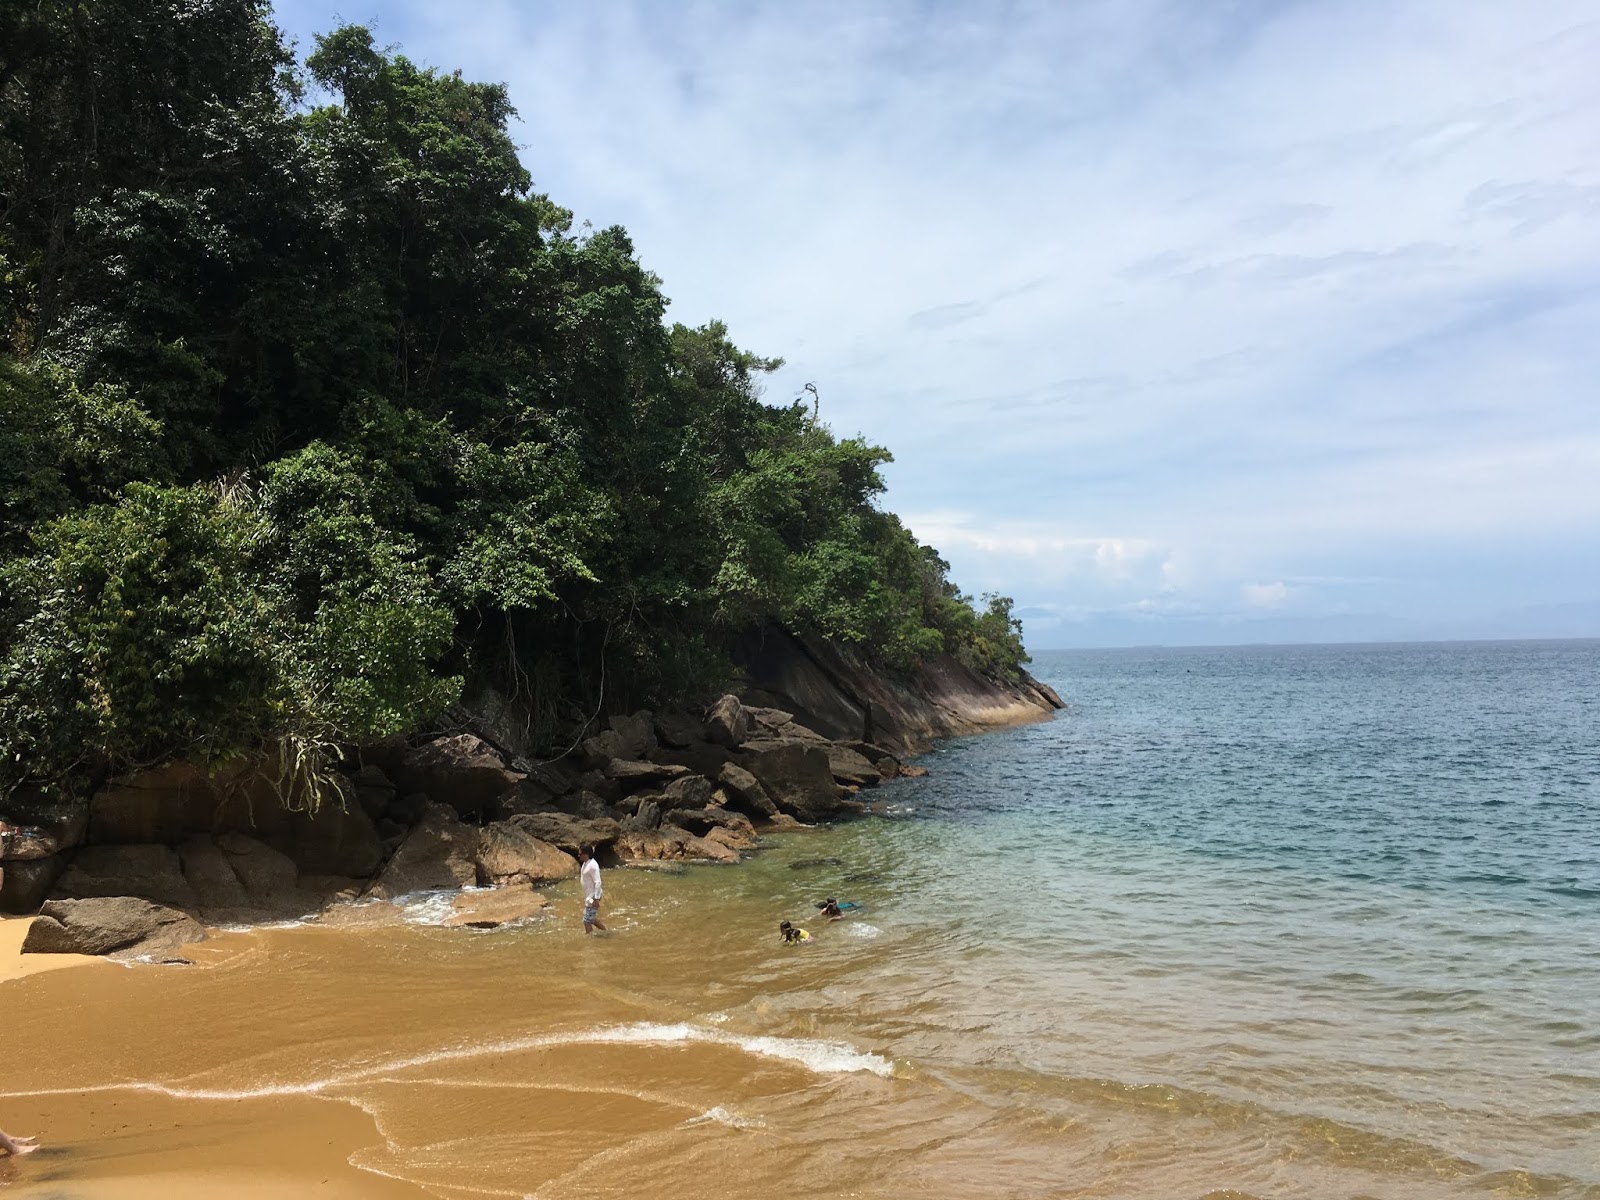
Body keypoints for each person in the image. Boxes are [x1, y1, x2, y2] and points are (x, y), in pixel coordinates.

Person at [577, 846, 607, 934]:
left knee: (587, 920)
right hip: (589, 896)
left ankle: (590, 938)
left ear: (586, 854)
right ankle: (606, 931)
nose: (578, 855)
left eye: (580, 854)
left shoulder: (593, 865)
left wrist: (596, 899)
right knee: (591, 918)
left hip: (593, 896)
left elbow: (598, 882)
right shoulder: (586, 863)